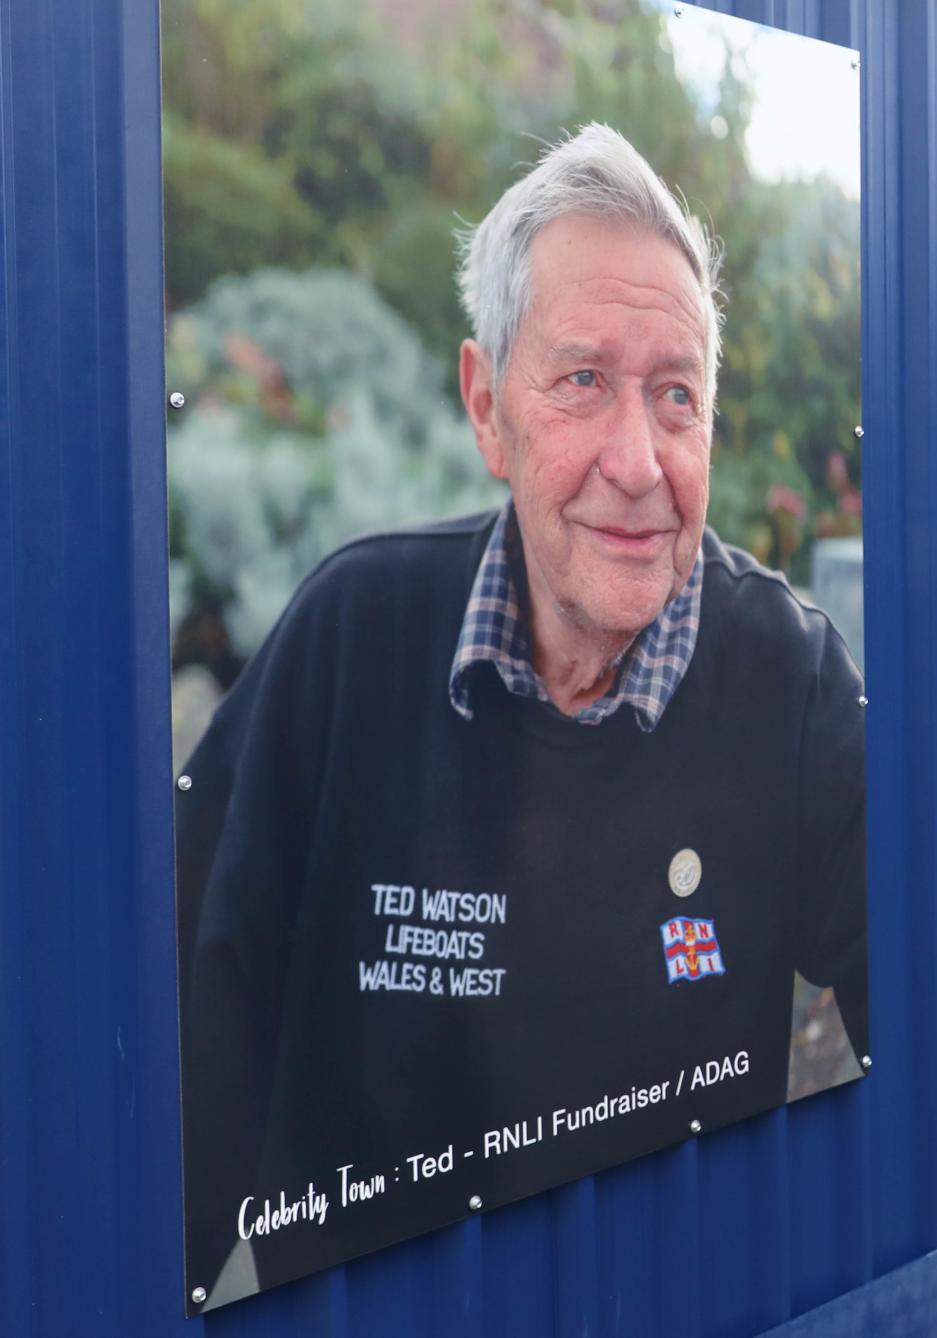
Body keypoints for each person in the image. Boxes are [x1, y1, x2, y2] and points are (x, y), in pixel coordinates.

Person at [174, 126, 869, 1309]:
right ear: (487, 405)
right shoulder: (350, 636)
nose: (640, 461)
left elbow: (924, 1044)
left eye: (676, 394)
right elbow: (191, 1048)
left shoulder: (789, 676)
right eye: (584, 380)